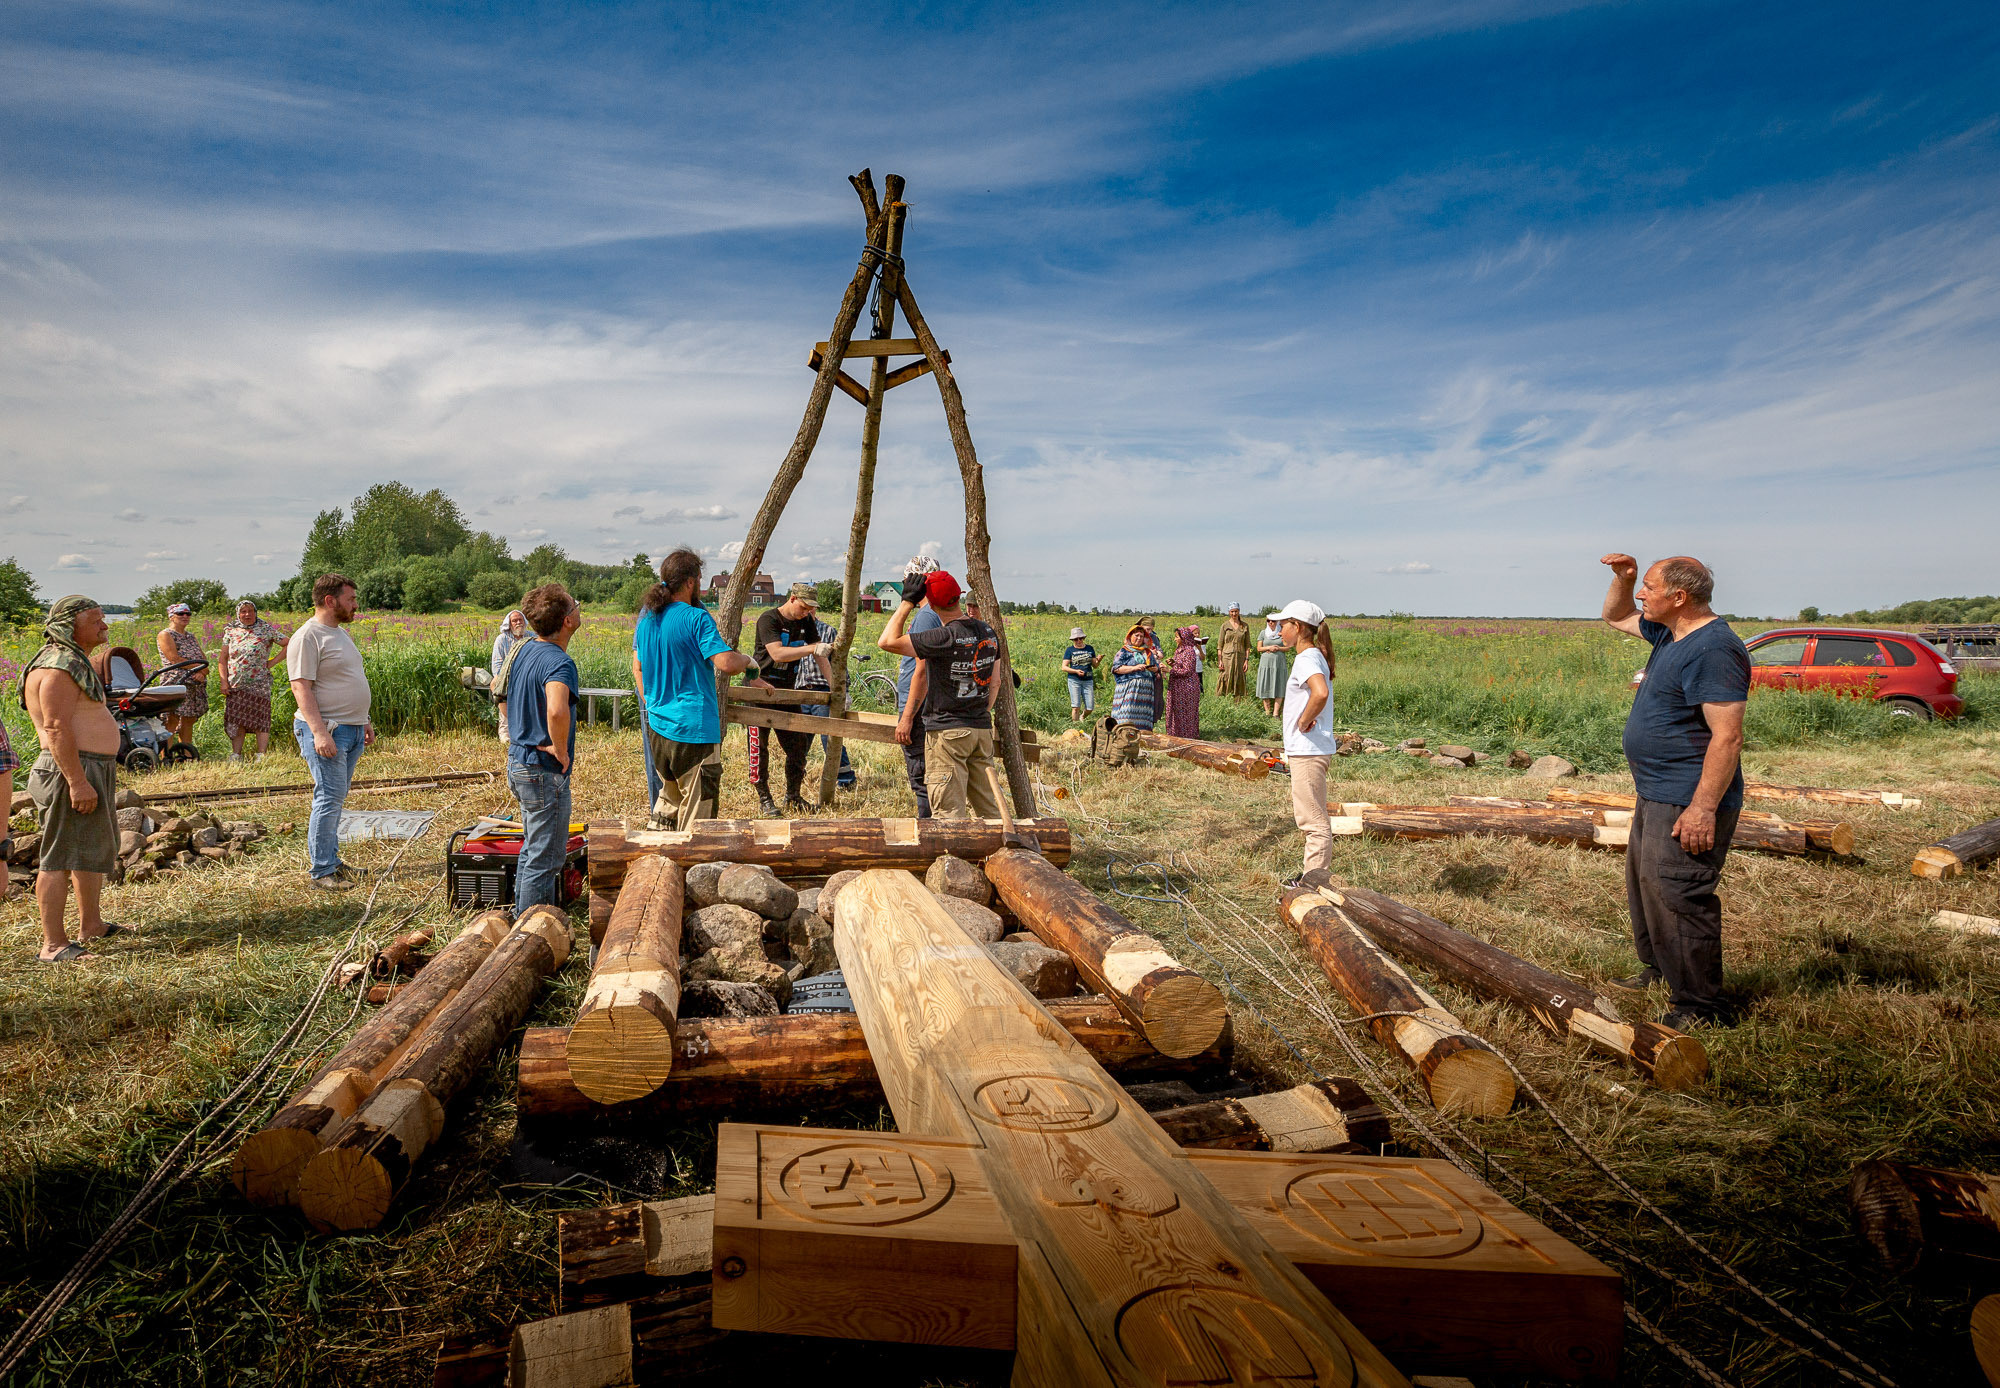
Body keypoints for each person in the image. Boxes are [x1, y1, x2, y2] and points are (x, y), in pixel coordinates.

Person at [1600, 553, 1750, 1030]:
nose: (1641, 595)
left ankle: (1702, 1007)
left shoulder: (1714, 649)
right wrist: (1622, 579)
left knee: (1680, 893)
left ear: (1679, 597)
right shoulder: (1671, 633)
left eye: (1647, 586)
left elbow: (1727, 736)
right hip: (1657, 791)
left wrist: (1703, 808)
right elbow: (1615, 616)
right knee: (1648, 888)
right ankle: (1662, 971)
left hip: (1688, 797)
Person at [22, 595, 130, 962]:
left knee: (86, 852)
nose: (104, 626)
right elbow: (54, 727)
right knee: (59, 857)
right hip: (71, 769)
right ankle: (53, 944)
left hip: (86, 766)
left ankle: (92, 925)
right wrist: (77, 781)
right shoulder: (58, 667)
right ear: (70, 626)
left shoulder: (69, 661)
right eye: (96, 620)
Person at [632, 549, 760, 829]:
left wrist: (653, 703)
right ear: (690, 582)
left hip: (658, 728)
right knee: (697, 810)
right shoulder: (695, 618)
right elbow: (725, 662)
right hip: (693, 730)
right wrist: (748, 661)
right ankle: (690, 865)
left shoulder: (647, 621)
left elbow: (638, 668)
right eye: (699, 579)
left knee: (669, 798)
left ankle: (657, 859)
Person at [879, 569, 1005, 819]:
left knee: (949, 814)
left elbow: (887, 641)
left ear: (931, 603)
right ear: (958, 597)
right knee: (991, 812)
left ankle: (952, 858)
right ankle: (1002, 854)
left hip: (948, 733)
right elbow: (996, 682)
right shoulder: (989, 633)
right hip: (981, 730)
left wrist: (906, 602)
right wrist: (980, 712)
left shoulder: (943, 637)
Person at [287, 574, 374, 891]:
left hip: (350, 728)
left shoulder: (339, 634)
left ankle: (333, 861)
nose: (355, 604)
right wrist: (319, 733)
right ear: (330, 600)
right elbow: (301, 687)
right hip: (329, 731)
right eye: (350, 599)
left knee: (335, 799)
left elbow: (350, 678)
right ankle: (322, 870)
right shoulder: (307, 637)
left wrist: (364, 719)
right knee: (328, 799)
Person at [505, 583, 582, 909]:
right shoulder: (558, 662)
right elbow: (555, 708)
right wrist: (560, 748)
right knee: (546, 858)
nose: (579, 608)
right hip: (541, 769)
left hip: (519, 761)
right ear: (566, 620)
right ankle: (530, 935)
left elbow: (500, 690)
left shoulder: (524, 649)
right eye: (575, 605)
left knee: (532, 848)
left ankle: (520, 918)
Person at [747, 582, 832, 817]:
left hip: (786, 692)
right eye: (803, 608)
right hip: (760, 690)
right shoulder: (769, 619)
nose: (806, 613)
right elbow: (777, 653)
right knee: (759, 749)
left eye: (810, 610)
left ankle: (793, 797)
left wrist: (834, 687)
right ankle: (765, 799)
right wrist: (812, 649)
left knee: (798, 748)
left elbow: (820, 655)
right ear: (792, 599)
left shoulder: (806, 622)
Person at [1276, 600, 1338, 886]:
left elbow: (1320, 693)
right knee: (1311, 816)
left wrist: (1303, 722)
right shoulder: (1312, 656)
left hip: (1309, 749)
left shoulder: (1306, 658)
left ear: (1298, 627)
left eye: (1283, 625)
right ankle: (1311, 877)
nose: (1279, 631)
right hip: (1308, 749)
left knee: (1313, 821)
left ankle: (1313, 883)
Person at [893, 570, 945, 816]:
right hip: (927, 702)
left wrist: (907, 716)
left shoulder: (925, 616)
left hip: (918, 705)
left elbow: (921, 668)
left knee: (920, 772)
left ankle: (926, 830)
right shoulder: (934, 614)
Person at [794, 613, 857, 791]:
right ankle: (797, 774)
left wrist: (843, 691)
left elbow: (839, 663)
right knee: (799, 739)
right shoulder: (793, 631)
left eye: (810, 609)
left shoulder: (828, 631)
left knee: (828, 737)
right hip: (800, 692)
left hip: (822, 690)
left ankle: (845, 778)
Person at [218, 600, 287, 761]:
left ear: (256, 613)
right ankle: (236, 755)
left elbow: (289, 644)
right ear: (238, 614)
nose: (247, 614)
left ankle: (261, 754)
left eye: (250, 611)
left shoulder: (265, 629)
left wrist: (271, 663)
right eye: (243, 612)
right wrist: (224, 682)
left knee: (260, 718)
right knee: (236, 719)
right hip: (236, 683)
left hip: (260, 682)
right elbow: (223, 658)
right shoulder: (231, 631)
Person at [155, 602, 209, 748]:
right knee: (172, 719)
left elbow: (204, 661)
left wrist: (202, 672)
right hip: (175, 681)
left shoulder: (191, 636)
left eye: (188, 613)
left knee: (188, 719)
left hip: (194, 683)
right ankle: (166, 754)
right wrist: (199, 668)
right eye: (181, 613)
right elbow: (174, 659)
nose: (185, 616)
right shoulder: (165, 634)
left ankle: (185, 753)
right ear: (172, 617)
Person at [1110, 623, 1162, 731]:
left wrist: (1155, 669)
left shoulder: (1147, 652)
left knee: (1143, 717)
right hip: (1130, 690)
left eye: (1141, 636)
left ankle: (1143, 739)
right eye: (1136, 635)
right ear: (1130, 636)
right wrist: (1135, 668)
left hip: (1146, 692)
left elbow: (1156, 667)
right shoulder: (1124, 651)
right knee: (1127, 715)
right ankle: (1123, 736)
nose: (1139, 638)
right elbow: (1116, 669)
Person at [491, 609, 526, 742]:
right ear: (509, 624)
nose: (518, 623)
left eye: (520, 620)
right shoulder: (501, 640)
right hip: (507, 679)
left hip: (527, 678)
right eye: (514, 621)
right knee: (496, 685)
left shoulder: (531, 637)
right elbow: (497, 666)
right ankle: (505, 732)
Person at [1165, 624, 1204, 738]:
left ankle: (1186, 736)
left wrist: (1169, 670)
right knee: (1178, 711)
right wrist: (1174, 663)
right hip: (1178, 686)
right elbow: (1181, 665)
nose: (1175, 639)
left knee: (1186, 712)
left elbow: (1187, 670)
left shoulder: (1189, 651)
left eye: (1177, 637)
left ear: (1184, 638)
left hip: (1187, 687)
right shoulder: (1179, 649)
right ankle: (1176, 734)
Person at [1062, 627, 1099, 722]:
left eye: (1080, 638)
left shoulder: (1090, 648)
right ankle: (1075, 727)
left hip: (1088, 680)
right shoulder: (1069, 650)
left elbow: (1095, 665)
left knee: (1090, 707)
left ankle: (1082, 716)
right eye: (1075, 639)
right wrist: (1076, 671)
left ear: (1083, 638)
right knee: (1076, 706)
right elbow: (1064, 667)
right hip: (1074, 680)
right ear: (1072, 640)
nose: (1078, 641)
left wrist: (1098, 660)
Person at [1255, 612, 1288, 716]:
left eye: (1273, 621)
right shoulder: (1263, 633)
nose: (1270, 623)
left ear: (1277, 621)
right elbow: (1259, 648)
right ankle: (1267, 712)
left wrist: (1278, 648)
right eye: (1268, 621)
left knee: (1279, 685)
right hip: (1266, 663)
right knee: (1266, 685)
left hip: (1279, 663)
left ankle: (1276, 713)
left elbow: (1288, 647)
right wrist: (1269, 648)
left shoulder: (1282, 633)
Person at [1217, 604, 1251, 699]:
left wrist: (1246, 660)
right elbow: (1220, 645)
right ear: (1229, 612)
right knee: (1226, 677)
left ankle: (1238, 701)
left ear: (1239, 611)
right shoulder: (1224, 626)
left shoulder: (1244, 626)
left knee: (1239, 677)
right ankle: (1225, 699)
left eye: (1236, 611)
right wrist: (1220, 660)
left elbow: (1247, 645)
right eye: (1232, 611)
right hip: (1227, 657)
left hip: (1240, 657)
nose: (1234, 613)